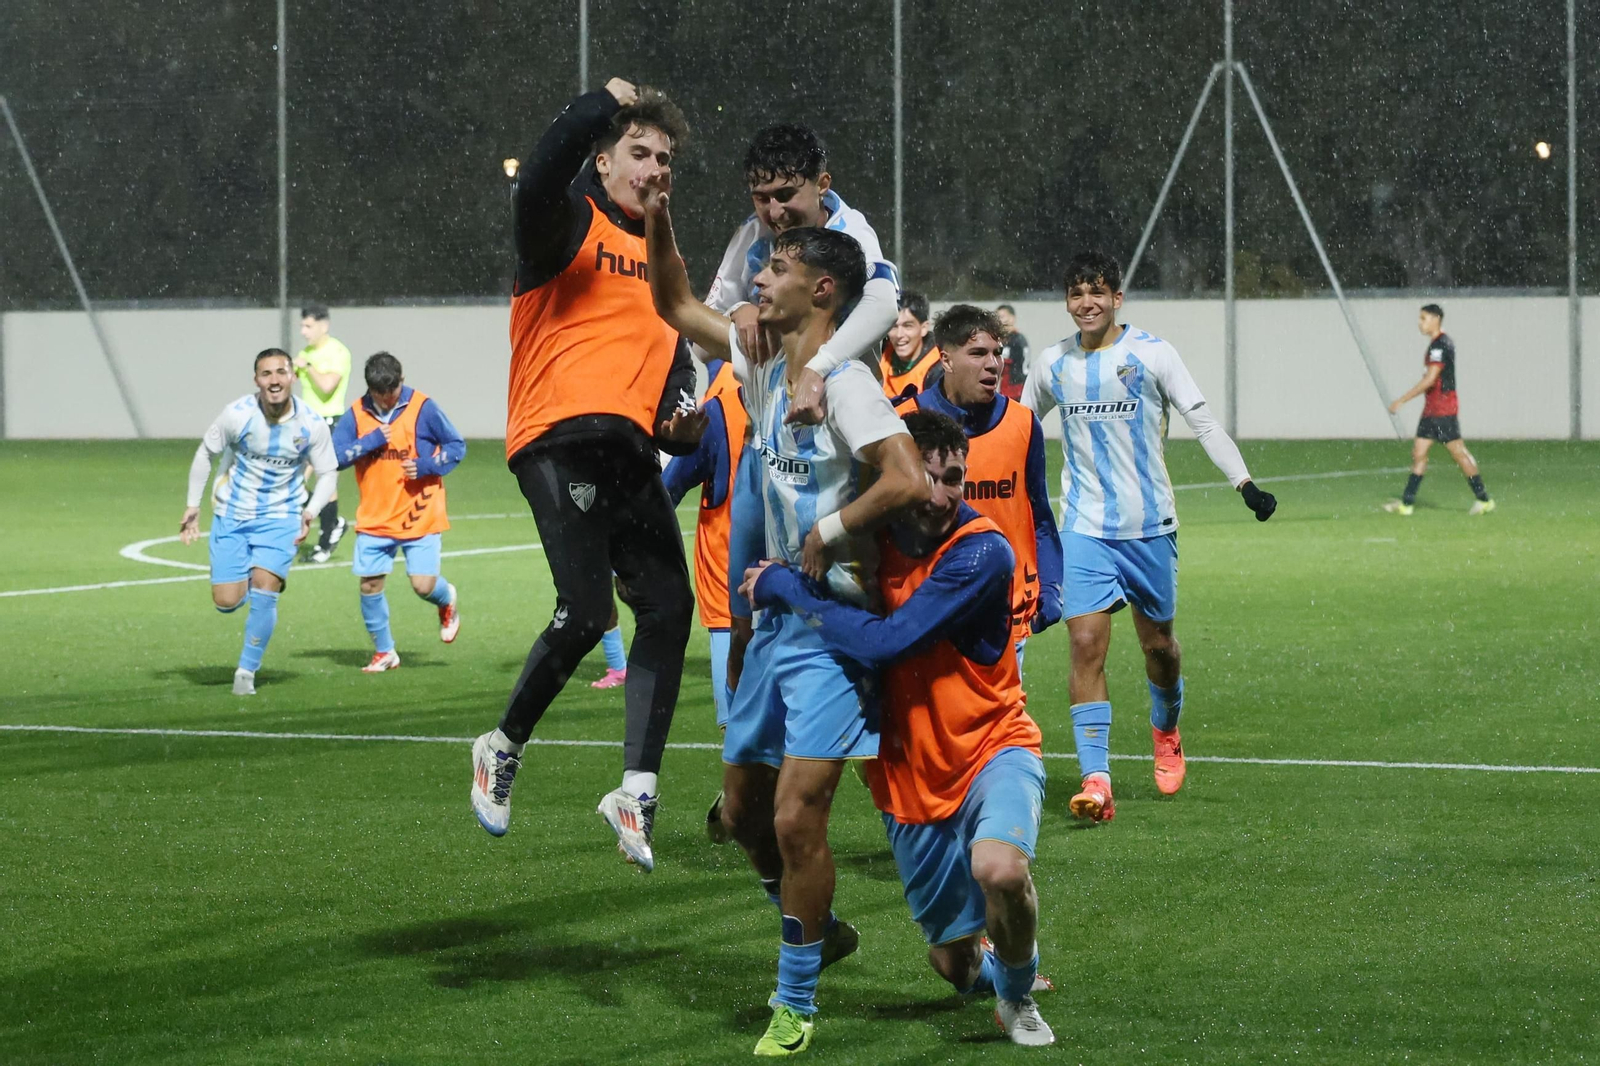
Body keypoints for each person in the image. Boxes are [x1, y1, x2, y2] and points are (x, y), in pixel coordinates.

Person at [640, 166, 930, 1056]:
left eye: (775, 268)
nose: (757, 277)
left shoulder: (848, 384)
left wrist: (831, 531)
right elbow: (673, 301)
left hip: (833, 634)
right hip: (770, 628)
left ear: (822, 289)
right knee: (741, 816)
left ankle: (795, 999)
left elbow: (908, 478)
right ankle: (821, 929)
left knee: (799, 817)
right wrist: (656, 214)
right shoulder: (762, 361)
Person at [743, 411, 1056, 1047]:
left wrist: (786, 588)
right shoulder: (871, 538)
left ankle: (1018, 994)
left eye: (954, 478)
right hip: (908, 780)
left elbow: (887, 642)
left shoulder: (982, 551)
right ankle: (990, 968)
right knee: (954, 965)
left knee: (999, 869)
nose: (940, 496)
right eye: (927, 478)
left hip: (992, 748)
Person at [468, 77, 705, 874]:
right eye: (638, 152)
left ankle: (636, 791)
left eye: (664, 159)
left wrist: (679, 422)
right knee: (585, 613)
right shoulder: (564, 223)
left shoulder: (666, 264)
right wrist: (597, 103)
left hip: (628, 452)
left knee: (669, 606)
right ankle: (501, 746)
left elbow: (673, 373)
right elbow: (536, 178)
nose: (654, 168)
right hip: (557, 439)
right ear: (602, 162)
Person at [1023, 250, 1278, 822]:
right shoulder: (1053, 363)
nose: (1086, 302)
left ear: (1117, 298)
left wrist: (1245, 483)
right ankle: (1097, 780)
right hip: (1084, 527)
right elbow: (1019, 428)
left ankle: (1166, 729)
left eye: (1097, 291)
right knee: (1085, 643)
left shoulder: (1153, 354)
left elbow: (1201, 420)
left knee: (1158, 647)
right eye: (1076, 293)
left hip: (1149, 528)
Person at [700, 122, 901, 835]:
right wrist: (740, 310)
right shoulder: (750, 238)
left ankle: (898, 791)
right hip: (773, 437)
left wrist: (818, 367)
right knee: (744, 602)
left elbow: (883, 302)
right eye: (762, 198)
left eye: (787, 194)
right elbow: (714, 306)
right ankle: (746, 773)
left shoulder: (850, 232)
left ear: (823, 183)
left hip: (840, 444)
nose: (774, 210)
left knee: (859, 608)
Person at [895, 305, 1062, 670]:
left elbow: (1040, 517)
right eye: (977, 353)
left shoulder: (1023, 424)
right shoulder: (905, 421)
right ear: (946, 359)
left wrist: (1051, 587)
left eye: (996, 353)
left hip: (1002, 617)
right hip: (923, 611)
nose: (993, 365)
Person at [180, 348, 337, 696]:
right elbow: (205, 453)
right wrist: (193, 505)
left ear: (292, 376)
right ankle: (260, 577)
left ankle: (246, 672)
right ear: (257, 380)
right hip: (232, 513)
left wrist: (309, 512)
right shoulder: (237, 415)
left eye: (281, 372)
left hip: (282, 516)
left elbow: (328, 472)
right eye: (266, 374)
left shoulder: (311, 423)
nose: (275, 380)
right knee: (226, 601)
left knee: (265, 592)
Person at [331, 352, 467, 672]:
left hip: (419, 512)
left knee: (423, 586)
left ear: (401, 381)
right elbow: (335, 457)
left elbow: (456, 446)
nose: (388, 398)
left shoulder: (423, 408)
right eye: (381, 393)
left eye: (392, 391)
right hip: (375, 517)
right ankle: (385, 652)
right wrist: (372, 441)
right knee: (370, 585)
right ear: (370, 388)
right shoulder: (356, 414)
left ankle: (446, 598)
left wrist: (426, 465)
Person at [660, 356, 748, 841]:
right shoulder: (719, 415)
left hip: (794, 595)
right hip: (729, 602)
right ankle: (745, 801)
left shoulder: (816, 402)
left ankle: (743, 799)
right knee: (738, 721)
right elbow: (667, 489)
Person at [1384, 303, 1494, 516]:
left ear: (1436, 319)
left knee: (1459, 454)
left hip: (1443, 410)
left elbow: (1430, 379)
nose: (1420, 323)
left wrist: (1402, 400)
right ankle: (1406, 504)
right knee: (1419, 453)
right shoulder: (1436, 345)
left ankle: (1484, 500)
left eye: (1423, 318)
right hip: (1431, 410)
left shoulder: (1440, 345)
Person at [295, 304, 354, 562]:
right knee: (292, 481)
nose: (303, 331)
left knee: (325, 481)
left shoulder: (338, 352)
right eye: (302, 326)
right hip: (305, 426)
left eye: (308, 326)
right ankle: (334, 523)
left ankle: (325, 540)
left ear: (324, 325)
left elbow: (328, 386)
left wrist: (307, 366)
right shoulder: (305, 353)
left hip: (330, 424)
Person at [881, 291, 942, 401]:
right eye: (894, 326)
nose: (899, 335)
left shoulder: (938, 370)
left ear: (924, 328)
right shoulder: (881, 354)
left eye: (907, 326)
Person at [995, 303, 1030, 401]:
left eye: (1002, 317)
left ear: (1012, 318)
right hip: (1008, 390)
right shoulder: (1003, 340)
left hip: (1015, 389)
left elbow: (1011, 365)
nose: (999, 321)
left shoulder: (1016, 340)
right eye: (997, 317)